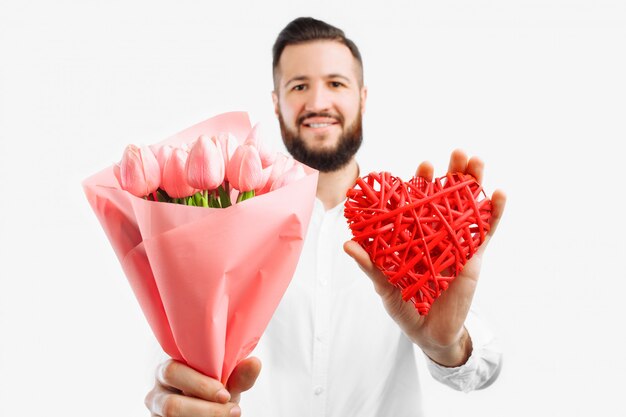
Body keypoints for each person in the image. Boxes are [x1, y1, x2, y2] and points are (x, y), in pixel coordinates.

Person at [144, 17, 506, 417]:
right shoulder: (226, 224)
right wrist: (176, 389)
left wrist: (447, 346)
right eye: (299, 86)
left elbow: (483, 368)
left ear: (362, 97)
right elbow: (183, 354)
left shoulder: (412, 226)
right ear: (276, 101)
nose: (317, 103)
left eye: (336, 83)